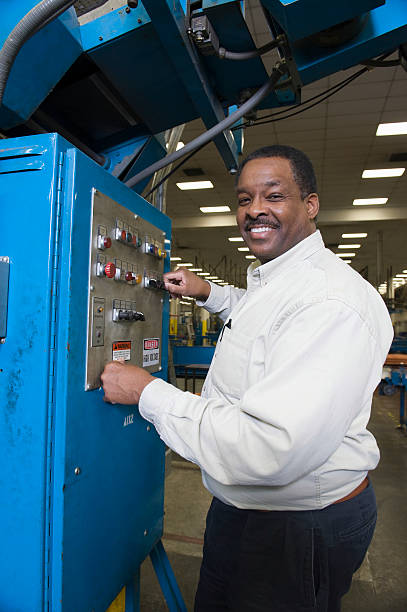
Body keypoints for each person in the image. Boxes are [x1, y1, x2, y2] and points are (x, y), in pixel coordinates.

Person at [102, 145, 393, 611]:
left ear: (311, 204)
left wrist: (148, 393)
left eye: (273, 196)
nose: (255, 209)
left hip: (296, 526)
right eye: (244, 199)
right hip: (246, 511)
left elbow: (267, 448)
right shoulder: (279, 280)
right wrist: (209, 293)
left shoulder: (330, 302)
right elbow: (265, 319)